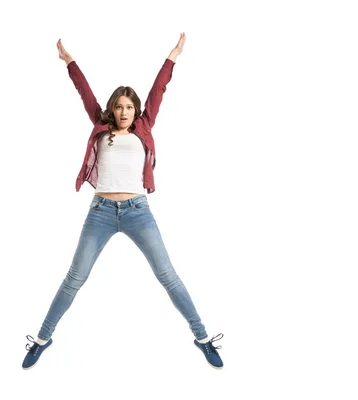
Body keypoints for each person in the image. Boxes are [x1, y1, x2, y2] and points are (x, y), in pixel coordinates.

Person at [22, 33, 223, 370]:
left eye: (130, 107)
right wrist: (70, 63)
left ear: (136, 110)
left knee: (168, 276)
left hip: (137, 212)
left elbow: (159, 90)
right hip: (100, 212)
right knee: (74, 277)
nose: (124, 111)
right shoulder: (101, 126)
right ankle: (43, 338)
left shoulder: (144, 126)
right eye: (119, 106)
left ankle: (202, 337)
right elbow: (85, 93)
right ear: (112, 109)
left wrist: (172, 56)